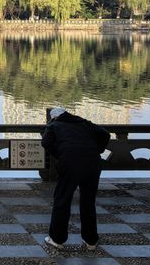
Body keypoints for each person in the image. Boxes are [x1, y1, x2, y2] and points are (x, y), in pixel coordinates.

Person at [42, 107, 110, 251]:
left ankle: (57, 239)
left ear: (53, 117)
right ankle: (91, 240)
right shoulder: (84, 122)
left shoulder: (53, 125)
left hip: (70, 162)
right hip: (93, 162)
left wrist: (61, 153)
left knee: (62, 199)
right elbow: (105, 134)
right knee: (88, 201)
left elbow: (46, 143)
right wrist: (98, 149)